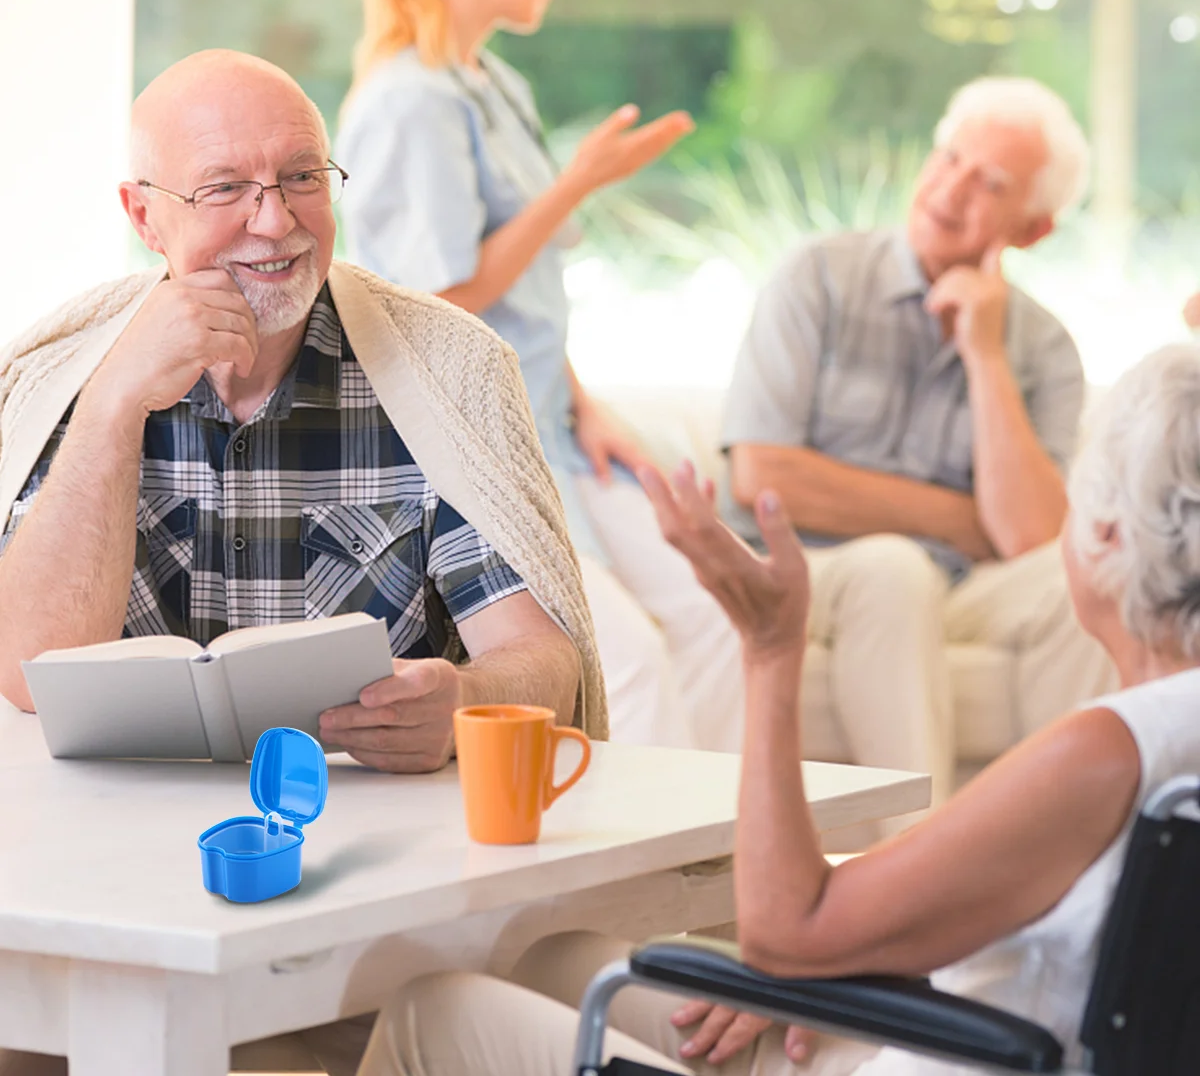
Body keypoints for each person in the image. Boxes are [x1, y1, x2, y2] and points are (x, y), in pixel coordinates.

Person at [354, 340, 1200, 1076]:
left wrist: (770, 648)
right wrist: (832, 956)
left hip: (927, 1054)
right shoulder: (1163, 737)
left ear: (1107, 538)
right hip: (959, 1029)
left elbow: (782, 933)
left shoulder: (1105, 753)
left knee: (436, 1013)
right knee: (556, 961)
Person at [0, 48, 605, 1073]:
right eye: (226, 188)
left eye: (300, 179)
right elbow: (26, 671)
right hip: (100, 890)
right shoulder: (62, 376)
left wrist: (458, 699)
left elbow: (547, 663)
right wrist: (113, 407)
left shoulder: (443, 373)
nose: (274, 222)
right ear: (144, 217)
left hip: (364, 902)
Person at [337, 0, 739, 747]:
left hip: (550, 424)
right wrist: (577, 184)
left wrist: (585, 406)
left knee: (717, 610)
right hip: (481, 445)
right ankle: (637, 864)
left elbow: (524, 303)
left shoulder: (495, 85)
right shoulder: (412, 102)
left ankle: (718, 855)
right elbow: (441, 305)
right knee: (623, 659)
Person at [712, 77, 1116, 808]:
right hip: (811, 571)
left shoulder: (1045, 347)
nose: (950, 189)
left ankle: (1072, 856)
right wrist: (959, 519)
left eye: (989, 182)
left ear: (1033, 228)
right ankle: (921, 871)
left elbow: (1028, 537)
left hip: (955, 587)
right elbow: (763, 477)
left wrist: (985, 355)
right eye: (949, 156)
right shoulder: (820, 277)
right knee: (893, 571)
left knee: (1084, 572)